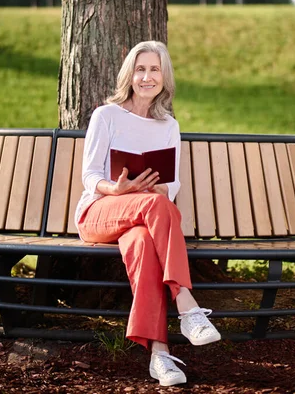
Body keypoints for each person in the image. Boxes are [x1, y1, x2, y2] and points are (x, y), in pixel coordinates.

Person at [75, 41, 221, 387]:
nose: (146, 76)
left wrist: (160, 189)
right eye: (140, 69)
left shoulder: (168, 125)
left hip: (142, 219)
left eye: (154, 69)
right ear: (130, 75)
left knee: (144, 243)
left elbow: (172, 183)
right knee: (156, 206)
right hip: (100, 213)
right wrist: (119, 189)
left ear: (163, 77)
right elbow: (91, 175)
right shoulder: (106, 115)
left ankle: (159, 354)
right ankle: (187, 305)